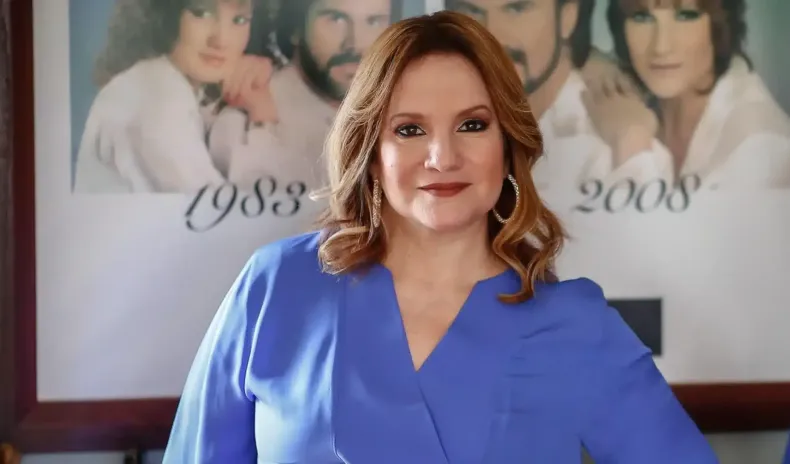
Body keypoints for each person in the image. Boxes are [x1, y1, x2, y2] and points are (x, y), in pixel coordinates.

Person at [162, 10, 717, 462]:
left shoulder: (576, 326)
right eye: (409, 129)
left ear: (508, 145)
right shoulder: (277, 288)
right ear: (370, 152)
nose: (442, 157)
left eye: (472, 125)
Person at [445, 0, 673, 196]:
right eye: (471, 11)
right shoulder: (448, 115)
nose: (493, 36)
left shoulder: (617, 142)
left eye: (517, 9)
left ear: (567, 18)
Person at [73, 0, 272, 194]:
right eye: (201, 13)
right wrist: (263, 115)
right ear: (165, 15)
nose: (221, 40)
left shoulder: (164, 84)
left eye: (239, 20)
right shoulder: (157, 97)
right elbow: (224, 208)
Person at [592, 0, 790, 189]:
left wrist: (633, 145)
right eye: (642, 17)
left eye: (686, 15)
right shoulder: (631, 90)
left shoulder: (759, 151)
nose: (661, 47)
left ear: (720, 22)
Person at [208, 0, 394, 193]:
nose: (355, 44)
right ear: (295, 27)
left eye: (374, 21)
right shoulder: (244, 120)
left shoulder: (393, 103)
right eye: (336, 20)